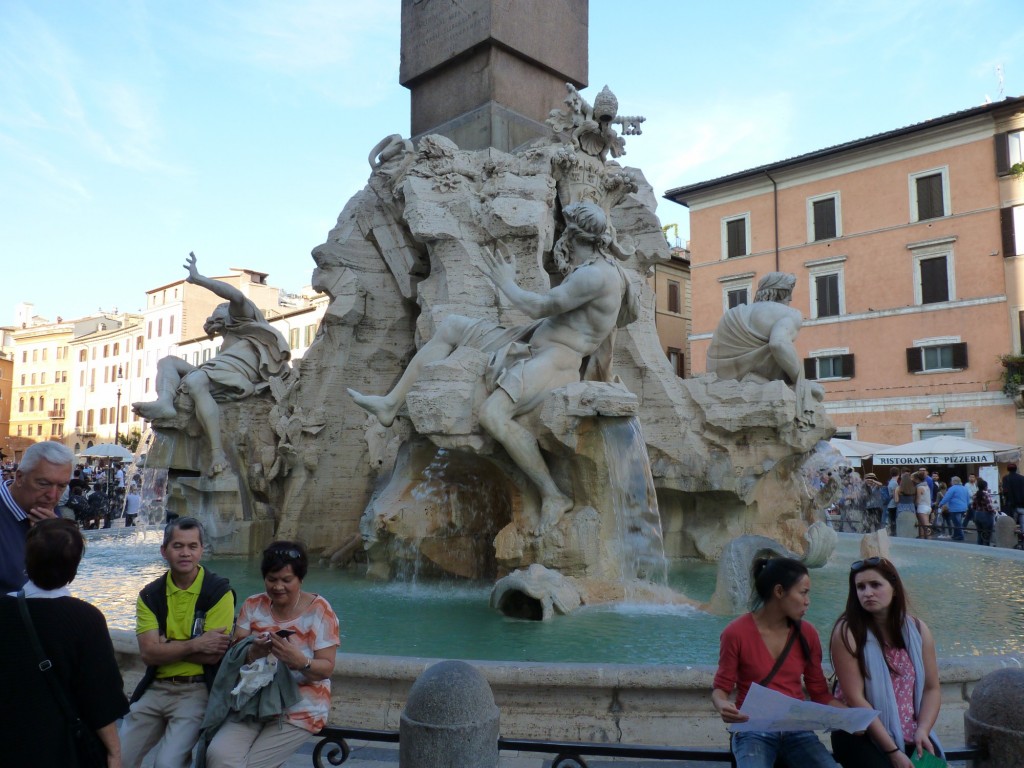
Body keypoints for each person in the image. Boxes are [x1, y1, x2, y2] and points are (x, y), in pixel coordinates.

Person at [348, 202, 638, 533]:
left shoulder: (594, 276)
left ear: (572, 234)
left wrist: (506, 282)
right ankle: (390, 403)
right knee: (453, 326)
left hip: (557, 359)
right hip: (529, 342)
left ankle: (552, 494)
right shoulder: (600, 267)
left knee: (493, 415)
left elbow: (538, 306)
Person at [133, 252, 291, 476]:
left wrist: (199, 279)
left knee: (196, 380)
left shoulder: (246, 318)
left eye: (220, 309)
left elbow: (235, 296)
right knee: (167, 361)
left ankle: (217, 453)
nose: (216, 312)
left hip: (238, 374)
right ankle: (165, 402)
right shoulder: (227, 341)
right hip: (216, 370)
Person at [0, 518, 130, 767]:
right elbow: (100, 695)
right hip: (64, 748)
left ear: (27, 561)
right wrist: (114, 751)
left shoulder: (4, 611)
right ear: (75, 567)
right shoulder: (86, 618)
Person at [205, 541, 340, 768]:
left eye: (286, 580)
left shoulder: (320, 610)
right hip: (253, 702)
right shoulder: (253, 605)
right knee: (218, 755)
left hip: (302, 705)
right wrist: (252, 652)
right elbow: (234, 654)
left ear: (300, 579)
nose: (278, 587)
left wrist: (300, 662)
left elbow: (326, 667)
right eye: (272, 579)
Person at [120, 517, 235, 768]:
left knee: (167, 764)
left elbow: (213, 655)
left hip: (195, 692)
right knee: (117, 759)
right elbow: (149, 654)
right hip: (155, 688)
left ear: (202, 550)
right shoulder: (150, 595)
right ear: (164, 551)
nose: (185, 553)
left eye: (192, 546)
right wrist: (195, 644)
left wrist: (167, 646)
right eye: (178, 546)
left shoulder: (219, 592)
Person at [712, 557, 840, 768]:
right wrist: (723, 705)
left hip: (797, 730)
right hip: (753, 730)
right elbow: (721, 689)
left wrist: (850, 715)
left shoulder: (808, 634)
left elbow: (819, 691)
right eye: (803, 592)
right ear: (779, 592)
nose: (808, 601)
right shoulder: (735, 633)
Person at [830, 557, 942, 767]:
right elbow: (856, 699)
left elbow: (931, 688)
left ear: (895, 589)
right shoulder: (847, 632)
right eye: (860, 587)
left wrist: (923, 730)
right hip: (861, 734)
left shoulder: (918, 630)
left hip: (909, 731)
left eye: (875, 585)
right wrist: (893, 751)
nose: (867, 593)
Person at [706, 272, 825, 427]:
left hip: (723, 383)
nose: (791, 299)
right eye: (789, 293)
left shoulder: (732, 314)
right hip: (762, 385)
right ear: (783, 293)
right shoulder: (790, 313)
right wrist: (801, 382)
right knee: (816, 393)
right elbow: (778, 344)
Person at [0, 441, 74, 592]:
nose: (53, 496)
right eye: (43, 484)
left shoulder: (50, 514)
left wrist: (56, 541)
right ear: (19, 477)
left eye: (61, 486)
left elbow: (59, 580)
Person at [938, 476, 970, 542]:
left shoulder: (952, 488)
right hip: (963, 507)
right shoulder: (964, 488)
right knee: (958, 521)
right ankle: (955, 535)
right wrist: (967, 506)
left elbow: (947, 497)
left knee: (957, 523)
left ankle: (960, 536)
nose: (951, 482)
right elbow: (968, 498)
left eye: (951, 481)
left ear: (954, 481)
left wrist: (941, 504)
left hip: (955, 508)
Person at [967, 478, 996, 546]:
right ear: (985, 487)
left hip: (977, 514)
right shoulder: (986, 495)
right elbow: (989, 507)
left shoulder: (975, 495)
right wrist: (995, 511)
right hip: (986, 515)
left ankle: (979, 548)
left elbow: (973, 506)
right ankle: (986, 548)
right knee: (987, 533)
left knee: (979, 533)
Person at [1000, 463, 1024, 529]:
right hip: (1022, 504)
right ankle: (1023, 536)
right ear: (1016, 469)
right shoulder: (1022, 478)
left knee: (1012, 524)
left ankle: (1012, 538)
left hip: (1011, 505)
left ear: (1008, 469)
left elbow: (1005, 491)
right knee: (1023, 523)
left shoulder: (1006, 478)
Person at [913, 471, 932, 539]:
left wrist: (914, 503)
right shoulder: (926, 486)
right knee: (922, 526)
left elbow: (918, 500)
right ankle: (924, 541)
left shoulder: (919, 487)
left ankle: (930, 541)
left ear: (917, 479)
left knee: (925, 527)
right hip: (928, 507)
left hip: (922, 508)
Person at [884, 468, 900, 535]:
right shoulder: (894, 483)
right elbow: (894, 494)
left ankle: (891, 532)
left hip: (890, 504)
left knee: (891, 520)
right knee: (893, 520)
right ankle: (893, 533)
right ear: (898, 473)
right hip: (893, 504)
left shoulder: (891, 481)